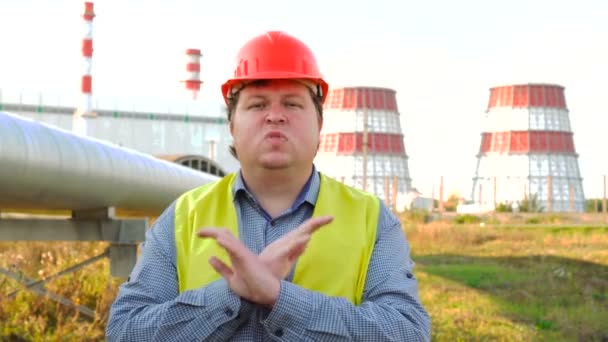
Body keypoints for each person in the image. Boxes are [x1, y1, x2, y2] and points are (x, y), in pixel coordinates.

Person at [106, 31, 430, 341]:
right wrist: (231, 294)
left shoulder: (371, 219)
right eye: (258, 105)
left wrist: (279, 297)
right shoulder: (183, 217)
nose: (275, 116)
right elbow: (125, 332)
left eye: (292, 104)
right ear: (232, 125)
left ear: (319, 124)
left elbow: (407, 332)